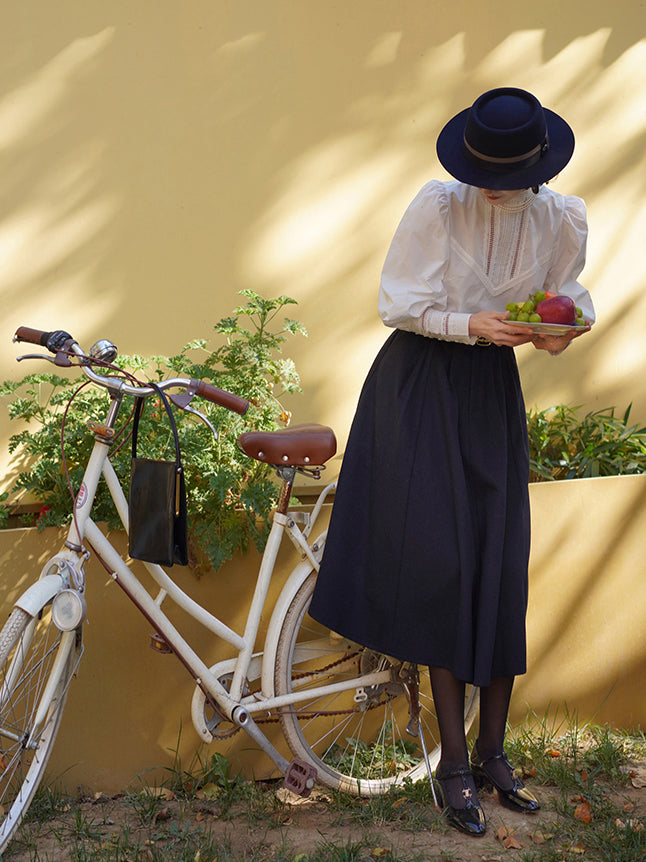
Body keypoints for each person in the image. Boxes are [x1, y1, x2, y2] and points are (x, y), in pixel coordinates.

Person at [309, 87, 594, 837]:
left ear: (537, 163)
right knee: (444, 567)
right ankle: (454, 766)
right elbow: (398, 304)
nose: (492, 181)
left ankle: (496, 757)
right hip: (420, 386)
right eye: (484, 168)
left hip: (492, 392)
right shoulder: (439, 205)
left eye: (507, 170)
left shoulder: (561, 216)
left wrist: (558, 331)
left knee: (500, 562)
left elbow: (562, 306)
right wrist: (470, 322)